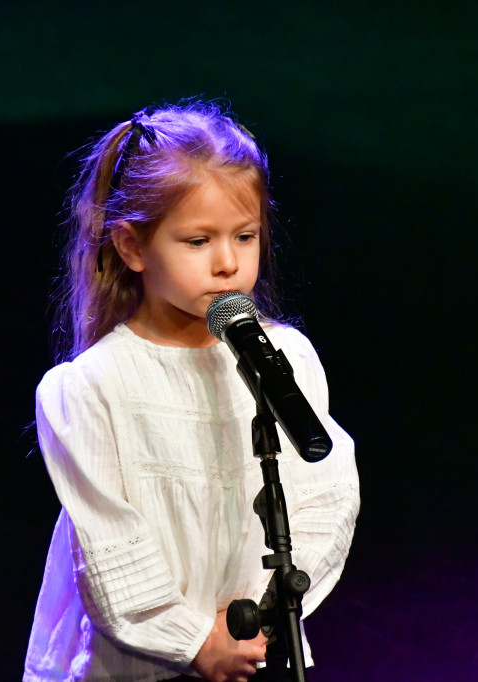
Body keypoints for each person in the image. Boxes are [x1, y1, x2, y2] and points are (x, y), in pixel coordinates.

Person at [24, 101, 360, 682]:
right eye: (198, 241)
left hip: (256, 651)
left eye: (245, 236)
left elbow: (323, 496)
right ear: (132, 247)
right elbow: (110, 544)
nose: (228, 263)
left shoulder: (287, 358)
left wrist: (257, 615)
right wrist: (193, 640)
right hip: (143, 664)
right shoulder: (94, 387)